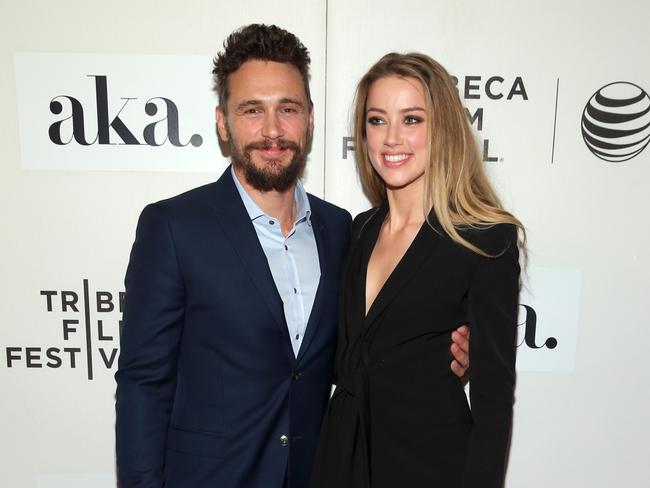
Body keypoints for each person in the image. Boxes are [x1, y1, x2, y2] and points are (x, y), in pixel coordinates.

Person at [115, 26, 469, 488]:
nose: (272, 131)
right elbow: (144, 382)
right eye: (252, 110)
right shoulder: (174, 227)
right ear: (223, 122)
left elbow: (364, 349)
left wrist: (452, 346)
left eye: (288, 109)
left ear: (311, 118)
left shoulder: (344, 229)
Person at [310, 52, 524, 488]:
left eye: (411, 120)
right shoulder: (360, 230)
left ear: (442, 127)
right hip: (341, 459)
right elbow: (346, 360)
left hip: (429, 465)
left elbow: (494, 401)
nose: (391, 138)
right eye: (376, 120)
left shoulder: (485, 238)